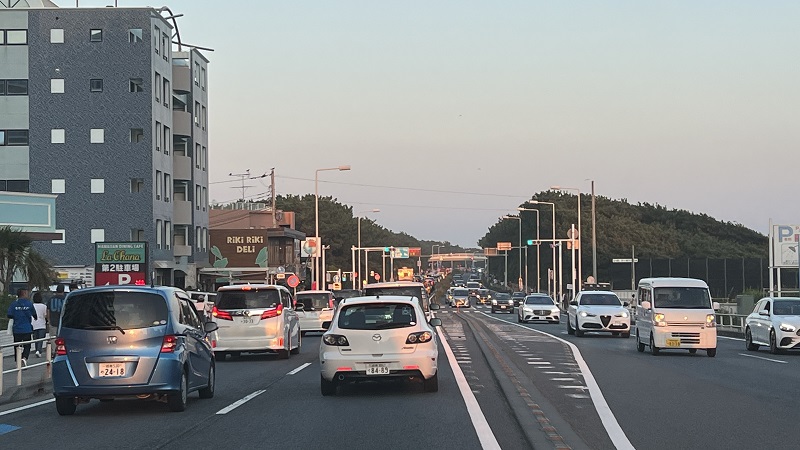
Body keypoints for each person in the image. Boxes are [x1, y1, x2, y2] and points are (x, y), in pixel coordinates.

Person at [6, 288, 37, 366]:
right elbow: (34, 314)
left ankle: (18, 361)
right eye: (26, 293)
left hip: (17, 329)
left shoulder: (14, 304)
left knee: (17, 346)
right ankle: (24, 357)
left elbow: (9, 315)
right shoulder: (29, 304)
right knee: (27, 345)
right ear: (23, 294)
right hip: (27, 328)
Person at [31, 292, 48, 358]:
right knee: (41, 339)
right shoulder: (44, 306)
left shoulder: (32, 306)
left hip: (33, 324)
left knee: (36, 339)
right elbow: (45, 315)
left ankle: (37, 350)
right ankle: (38, 350)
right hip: (41, 324)